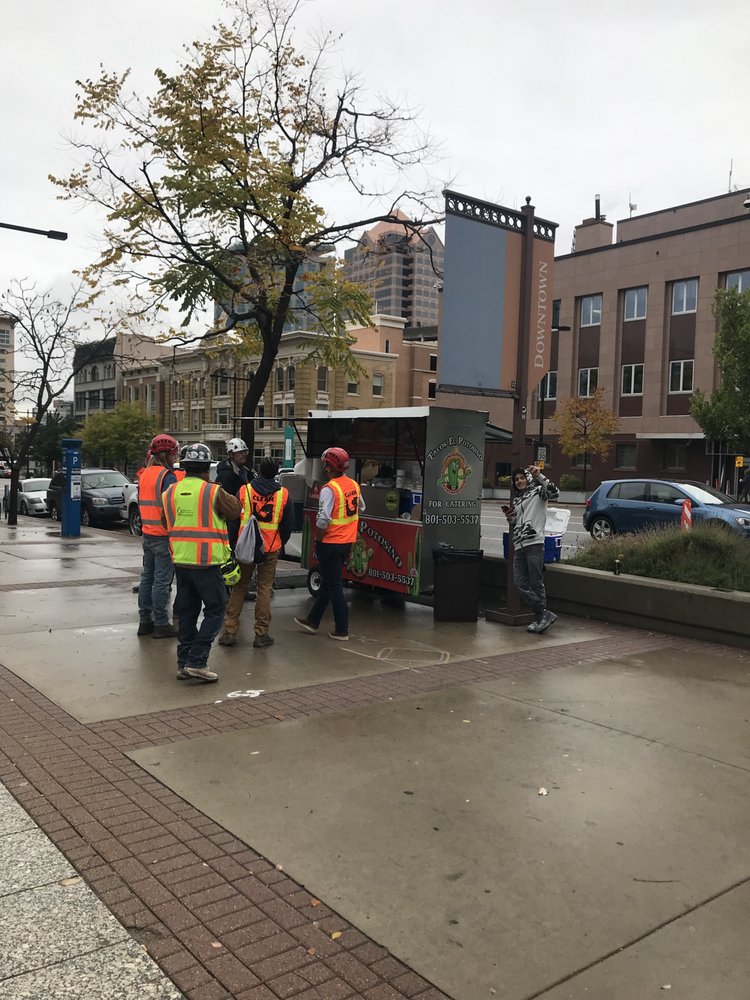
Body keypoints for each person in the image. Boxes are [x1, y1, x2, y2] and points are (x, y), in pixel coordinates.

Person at [161, 443, 242, 682]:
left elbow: (166, 522)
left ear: (184, 467)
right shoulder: (213, 491)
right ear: (207, 468)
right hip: (207, 562)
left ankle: (183, 663)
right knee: (216, 611)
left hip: (181, 561)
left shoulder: (170, 493)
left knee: (187, 613)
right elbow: (235, 510)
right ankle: (197, 661)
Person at [218, 457, 294, 648]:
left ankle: (230, 631)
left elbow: (234, 519)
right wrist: (279, 542)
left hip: (245, 548)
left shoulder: (245, 490)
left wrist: (234, 544)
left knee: (239, 587)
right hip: (270, 548)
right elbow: (288, 525)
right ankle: (261, 633)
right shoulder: (283, 494)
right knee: (264, 589)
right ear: (276, 473)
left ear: (259, 470)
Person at [294, 447, 365, 641]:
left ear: (329, 467)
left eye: (325, 463)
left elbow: (323, 520)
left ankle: (342, 629)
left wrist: (318, 540)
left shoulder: (329, 489)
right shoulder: (353, 484)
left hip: (330, 542)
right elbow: (361, 506)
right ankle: (313, 620)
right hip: (346, 542)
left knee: (334, 586)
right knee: (328, 581)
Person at [506, 464, 560, 634]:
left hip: (534, 542)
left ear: (528, 479)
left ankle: (539, 618)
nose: (519, 481)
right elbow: (517, 522)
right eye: (516, 479)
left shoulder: (538, 492)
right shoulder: (517, 500)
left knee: (536, 582)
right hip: (519, 544)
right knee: (519, 582)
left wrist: (539, 476)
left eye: (522, 478)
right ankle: (543, 614)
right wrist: (511, 518)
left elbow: (555, 493)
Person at [137, 434, 180, 639]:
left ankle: (145, 621)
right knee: (162, 581)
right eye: (174, 454)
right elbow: (172, 507)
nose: (175, 457)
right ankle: (161, 623)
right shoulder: (167, 476)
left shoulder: (145, 474)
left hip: (147, 533)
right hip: (163, 535)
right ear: (167, 454)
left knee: (147, 578)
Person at [215, 438, 254, 550]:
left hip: (242, 521)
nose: (244, 455)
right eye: (240, 452)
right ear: (232, 454)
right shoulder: (225, 475)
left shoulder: (246, 472)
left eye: (244, 452)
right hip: (231, 523)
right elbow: (225, 504)